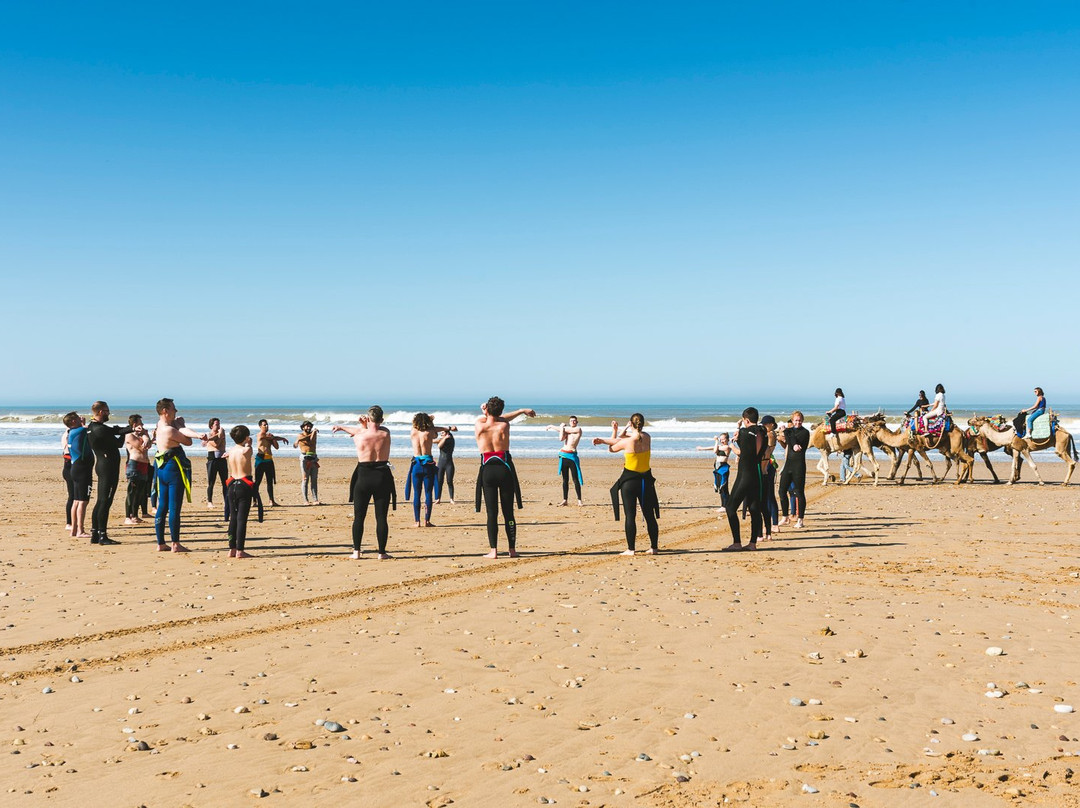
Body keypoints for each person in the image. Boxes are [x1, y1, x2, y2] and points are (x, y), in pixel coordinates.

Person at [474, 396, 535, 559]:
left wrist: (484, 412)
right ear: (501, 411)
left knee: (491, 513)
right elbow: (502, 418)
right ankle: (512, 550)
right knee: (508, 512)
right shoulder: (504, 425)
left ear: (487, 409)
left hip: (487, 470)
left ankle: (493, 550)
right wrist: (522, 410)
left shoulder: (479, 425)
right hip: (505, 469)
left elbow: (489, 418)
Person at [593, 414, 659, 555]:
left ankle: (631, 549)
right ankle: (654, 548)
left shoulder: (627, 442)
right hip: (646, 481)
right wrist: (621, 431)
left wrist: (609, 435)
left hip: (629, 482)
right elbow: (629, 437)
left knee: (630, 516)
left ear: (631, 423)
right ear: (643, 423)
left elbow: (612, 448)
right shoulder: (648, 437)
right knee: (649, 515)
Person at [334, 406, 395, 559]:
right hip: (382, 475)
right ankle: (382, 552)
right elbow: (375, 429)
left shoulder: (360, 434)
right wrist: (366, 424)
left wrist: (342, 427)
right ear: (381, 420)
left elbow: (357, 431)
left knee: (359, 516)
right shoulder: (385, 433)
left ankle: (356, 552)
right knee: (381, 517)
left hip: (363, 476)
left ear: (368, 419)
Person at [154, 398, 209, 553]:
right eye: (173, 408)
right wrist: (182, 426)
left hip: (162, 467)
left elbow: (182, 431)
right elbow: (187, 441)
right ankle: (175, 544)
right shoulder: (170, 430)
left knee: (162, 506)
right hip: (173, 469)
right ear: (165, 410)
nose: (176, 411)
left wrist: (193, 433)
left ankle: (160, 543)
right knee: (174, 507)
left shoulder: (160, 426)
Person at [87, 401, 133, 545]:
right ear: (100, 411)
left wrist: (129, 428)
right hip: (108, 468)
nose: (108, 413)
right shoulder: (99, 430)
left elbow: (114, 430)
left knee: (100, 501)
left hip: (102, 465)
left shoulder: (92, 427)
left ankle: (95, 534)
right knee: (105, 501)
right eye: (107, 411)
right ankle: (102, 536)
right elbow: (118, 443)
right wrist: (127, 433)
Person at [722, 407, 766, 552]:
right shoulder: (763, 432)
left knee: (730, 508)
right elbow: (751, 449)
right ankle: (752, 543)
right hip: (756, 475)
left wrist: (733, 442)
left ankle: (737, 542)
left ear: (746, 420)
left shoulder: (743, 432)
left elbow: (742, 452)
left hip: (745, 475)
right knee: (754, 509)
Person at [405, 414, 456, 527]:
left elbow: (417, 423)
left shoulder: (413, 431)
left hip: (416, 464)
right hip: (428, 464)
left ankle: (417, 521)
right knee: (428, 493)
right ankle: (427, 521)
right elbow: (439, 430)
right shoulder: (430, 431)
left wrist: (427, 418)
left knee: (417, 493)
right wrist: (433, 422)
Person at [225, 424, 261, 559]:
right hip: (244, 484)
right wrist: (249, 443)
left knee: (233, 518)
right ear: (246, 437)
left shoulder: (231, 451)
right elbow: (248, 451)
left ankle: (231, 549)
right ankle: (240, 550)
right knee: (241, 519)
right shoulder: (246, 450)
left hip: (232, 484)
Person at [65, 412, 92, 538]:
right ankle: (80, 530)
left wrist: (82, 424)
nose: (80, 418)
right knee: (83, 501)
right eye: (77, 417)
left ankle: (74, 530)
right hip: (82, 469)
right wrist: (83, 424)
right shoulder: (79, 431)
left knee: (76, 500)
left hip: (76, 468)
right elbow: (90, 428)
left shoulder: (71, 432)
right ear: (73, 422)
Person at [548, 416, 584, 505]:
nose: (573, 422)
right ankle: (565, 500)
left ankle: (579, 500)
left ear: (577, 422)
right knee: (565, 480)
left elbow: (563, 429)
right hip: (563, 456)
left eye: (574, 421)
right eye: (571, 421)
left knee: (575, 479)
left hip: (572, 457)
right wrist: (557, 427)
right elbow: (560, 438)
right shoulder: (566, 432)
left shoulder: (578, 429)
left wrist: (556, 426)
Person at [123, 414, 153, 525]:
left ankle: (135, 515)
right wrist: (145, 435)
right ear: (135, 424)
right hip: (134, 465)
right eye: (141, 423)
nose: (143, 425)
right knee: (132, 492)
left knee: (140, 493)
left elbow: (148, 445)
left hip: (143, 465)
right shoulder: (129, 436)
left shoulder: (141, 436)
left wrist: (146, 436)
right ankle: (128, 516)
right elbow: (142, 447)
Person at [695, 432, 732, 512]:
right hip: (718, 469)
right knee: (720, 487)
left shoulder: (727, 447)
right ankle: (726, 505)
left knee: (723, 487)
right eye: (721, 439)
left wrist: (716, 441)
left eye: (723, 439)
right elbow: (713, 448)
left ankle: (725, 506)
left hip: (723, 468)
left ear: (727, 439)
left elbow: (715, 450)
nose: (722, 441)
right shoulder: (720, 446)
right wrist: (701, 448)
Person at [254, 419, 287, 506]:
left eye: (267, 425)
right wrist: (281, 438)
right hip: (261, 459)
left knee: (270, 481)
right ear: (260, 426)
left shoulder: (270, 436)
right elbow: (268, 437)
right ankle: (254, 501)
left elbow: (276, 447)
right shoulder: (260, 434)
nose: (266, 426)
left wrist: (273, 440)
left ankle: (271, 500)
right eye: (264, 425)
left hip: (268, 459)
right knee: (257, 481)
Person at [204, 417, 229, 517]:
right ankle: (209, 501)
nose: (218, 426)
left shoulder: (221, 434)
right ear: (211, 426)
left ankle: (226, 500)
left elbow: (221, 444)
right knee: (211, 481)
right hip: (212, 459)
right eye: (216, 424)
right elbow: (217, 444)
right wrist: (220, 435)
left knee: (225, 482)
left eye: (219, 424)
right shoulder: (209, 435)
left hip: (222, 459)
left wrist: (221, 435)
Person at [760, 415, 779, 540]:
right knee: (767, 496)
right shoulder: (768, 434)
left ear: (771, 424)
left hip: (768, 464)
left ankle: (774, 523)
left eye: (765, 424)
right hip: (766, 463)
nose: (763, 426)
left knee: (769, 495)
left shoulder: (771, 435)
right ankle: (772, 523)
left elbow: (768, 451)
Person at [293, 421, 320, 505]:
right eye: (306, 426)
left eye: (310, 426)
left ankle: (315, 499)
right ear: (303, 427)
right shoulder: (300, 435)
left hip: (313, 457)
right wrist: (298, 440)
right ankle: (305, 500)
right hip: (305, 458)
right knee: (305, 479)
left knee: (314, 479)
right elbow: (300, 440)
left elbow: (311, 441)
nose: (308, 428)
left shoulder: (313, 434)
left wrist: (313, 433)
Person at [61, 412, 78, 531]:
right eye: (77, 418)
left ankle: (73, 521)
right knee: (72, 495)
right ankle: (69, 522)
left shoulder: (72, 432)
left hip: (70, 466)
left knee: (76, 495)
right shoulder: (69, 433)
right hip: (69, 467)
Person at [434, 428, 456, 504]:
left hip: (449, 463)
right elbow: (433, 441)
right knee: (439, 481)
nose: (441, 434)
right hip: (441, 463)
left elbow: (439, 446)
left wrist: (446, 437)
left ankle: (451, 499)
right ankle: (438, 499)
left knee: (449, 481)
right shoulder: (441, 440)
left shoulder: (451, 440)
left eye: (442, 433)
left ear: (447, 434)